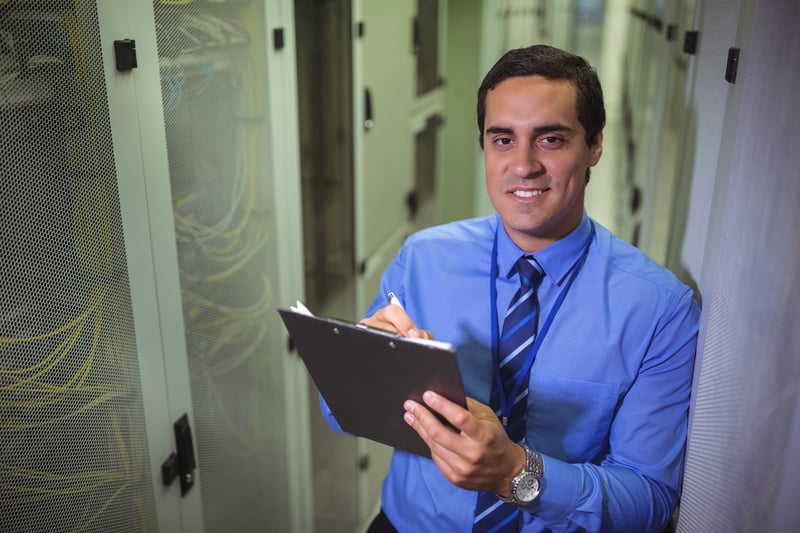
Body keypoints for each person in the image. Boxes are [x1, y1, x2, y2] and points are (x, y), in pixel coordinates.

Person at [322, 44, 700, 532]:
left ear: (595, 145)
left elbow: (649, 500)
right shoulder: (424, 258)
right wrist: (362, 363)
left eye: (550, 140)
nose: (523, 165)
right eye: (502, 140)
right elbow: (339, 413)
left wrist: (515, 473)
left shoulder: (660, 310)